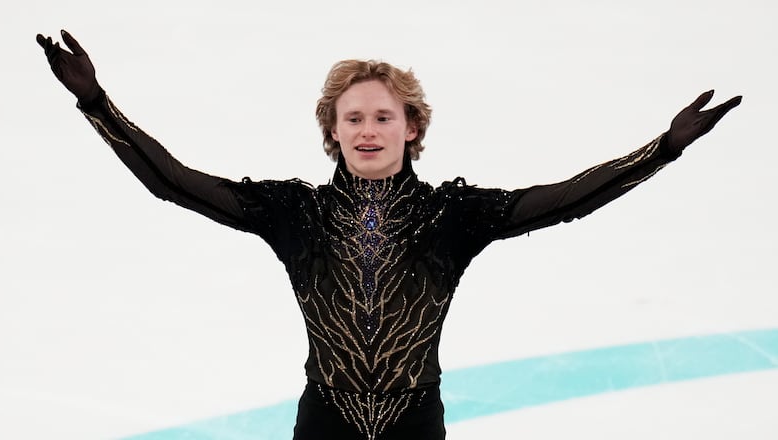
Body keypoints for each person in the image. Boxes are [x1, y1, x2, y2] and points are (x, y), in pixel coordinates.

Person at [36, 30, 741, 440]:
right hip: (324, 427)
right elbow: (174, 182)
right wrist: (95, 102)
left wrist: (664, 147)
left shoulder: (453, 215)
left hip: (414, 430)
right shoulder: (295, 211)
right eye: (353, 119)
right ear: (332, 132)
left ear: (412, 127)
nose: (368, 130)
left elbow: (566, 201)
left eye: (382, 117)